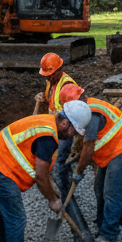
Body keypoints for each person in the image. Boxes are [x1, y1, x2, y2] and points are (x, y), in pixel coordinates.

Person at [0, 100, 90, 242]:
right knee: (17, 218)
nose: (72, 136)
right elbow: (40, 175)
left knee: (5, 212)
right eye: (73, 131)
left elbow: (43, 169)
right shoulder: (48, 137)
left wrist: (52, 188)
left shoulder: (48, 122)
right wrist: (53, 200)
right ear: (66, 123)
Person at [58, 83, 122, 242]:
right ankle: (102, 223)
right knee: (99, 188)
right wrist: (76, 152)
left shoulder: (91, 114)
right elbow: (85, 141)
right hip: (111, 149)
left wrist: (79, 171)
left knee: (111, 192)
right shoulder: (84, 109)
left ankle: (108, 235)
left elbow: (88, 148)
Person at [33, 51, 80, 196]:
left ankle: (65, 196)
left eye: (50, 74)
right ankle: (61, 188)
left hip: (66, 131)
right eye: (46, 75)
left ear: (59, 70)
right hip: (55, 129)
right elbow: (53, 102)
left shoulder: (69, 87)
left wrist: (77, 144)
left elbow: (79, 112)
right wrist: (41, 99)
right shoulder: (52, 82)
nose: (48, 77)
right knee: (56, 161)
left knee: (61, 162)